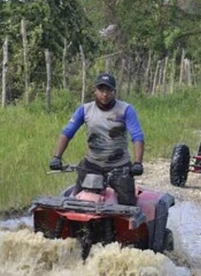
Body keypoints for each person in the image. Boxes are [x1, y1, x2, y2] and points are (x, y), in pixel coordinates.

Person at [49, 73, 144, 205]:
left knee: (128, 206)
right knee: (71, 202)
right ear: (95, 91)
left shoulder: (126, 110)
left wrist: (138, 163)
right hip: (91, 165)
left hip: (119, 167)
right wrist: (56, 157)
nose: (105, 94)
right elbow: (67, 133)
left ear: (114, 92)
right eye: (101, 90)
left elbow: (137, 136)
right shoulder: (85, 110)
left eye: (108, 90)